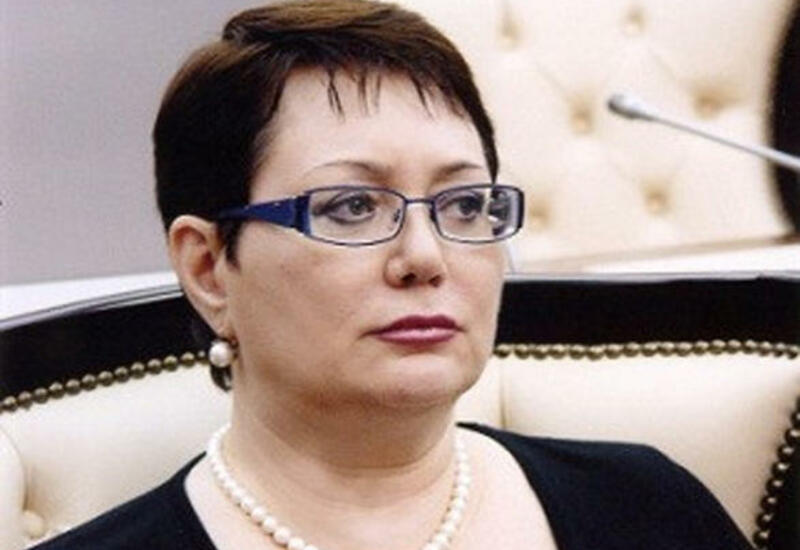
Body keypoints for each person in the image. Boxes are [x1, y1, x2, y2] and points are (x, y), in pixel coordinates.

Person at [34, 1, 751, 549]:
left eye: (464, 205)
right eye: (351, 207)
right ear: (209, 269)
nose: (426, 258)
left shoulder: (648, 507)